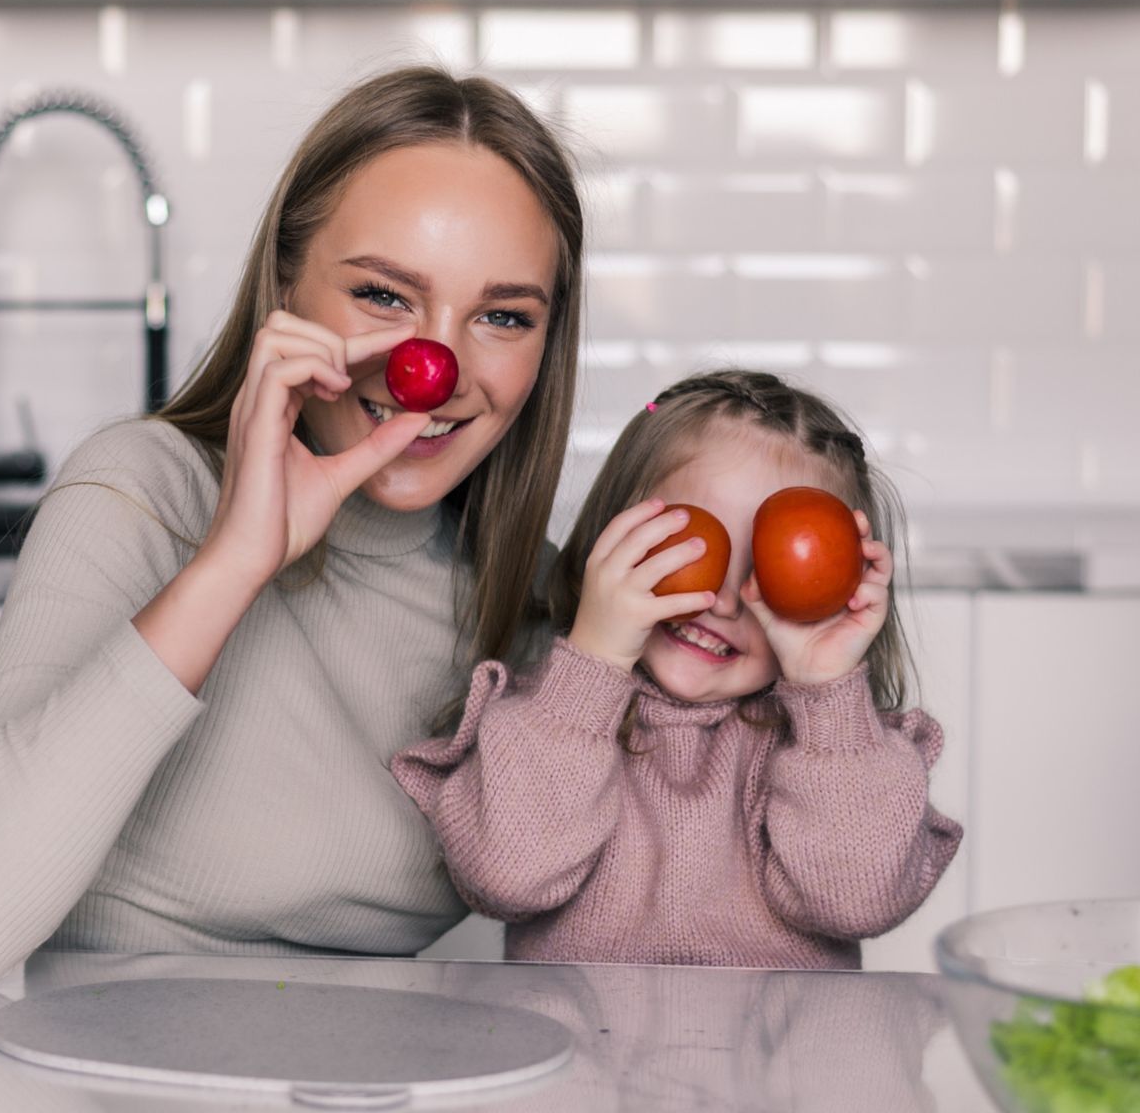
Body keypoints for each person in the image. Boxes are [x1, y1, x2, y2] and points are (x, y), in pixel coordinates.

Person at [0, 66, 584, 999]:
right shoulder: (139, 491)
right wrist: (234, 563)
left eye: (501, 316)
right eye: (383, 296)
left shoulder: (535, 612)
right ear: (286, 284)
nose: (432, 371)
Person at [392, 369, 963, 969]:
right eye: (693, 545)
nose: (722, 601)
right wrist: (594, 662)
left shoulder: (838, 751)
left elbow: (858, 902)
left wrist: (826, 692)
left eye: (770, 571)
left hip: (779, 1064)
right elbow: (506, 878)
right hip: (588, 1059)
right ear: (614, 537)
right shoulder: (550, 719)